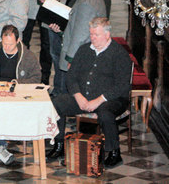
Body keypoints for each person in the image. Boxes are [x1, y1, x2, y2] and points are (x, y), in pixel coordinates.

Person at [47, 17, 132, 168]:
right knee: (56, 104)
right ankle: (58, 144)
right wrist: (78, 96)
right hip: (84, 97)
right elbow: (71, 76)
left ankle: (114, 152)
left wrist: (99, 100)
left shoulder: (119, 54)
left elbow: (122, 86)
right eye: (91, 34)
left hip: (111, 99)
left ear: (107, 35)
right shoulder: (84, 50)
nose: (92, 38)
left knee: (105, 114)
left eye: (96, 35)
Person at [0, 25, 41, 165]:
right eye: (4, 43)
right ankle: (0, 147)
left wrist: (18, 83)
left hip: (18, 98)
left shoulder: (28, 57)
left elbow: (36, 78)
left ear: (18, 41)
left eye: (10, 44)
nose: (6, 47)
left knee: (2, 110)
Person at [49, 0, 107, 88]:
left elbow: (80, 35)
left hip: (80, 58)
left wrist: (70, 59)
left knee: (72, 92)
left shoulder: (86, 2)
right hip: (82, 54)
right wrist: (61, 32)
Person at [41, 0, 77, 93]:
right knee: (53, 53)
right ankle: (57, 87)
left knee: (61, 56)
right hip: (50, 12)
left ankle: (62, 89)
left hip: (62, 15)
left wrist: (56, 1)